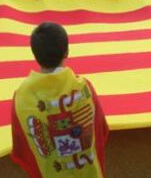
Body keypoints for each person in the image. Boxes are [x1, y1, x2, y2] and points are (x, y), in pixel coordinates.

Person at [11, 22, 108, 177]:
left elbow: (21, 146)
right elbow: (101, 129)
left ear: (35, 55)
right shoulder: (84, 88)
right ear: (67, 51)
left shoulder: (22, 97)